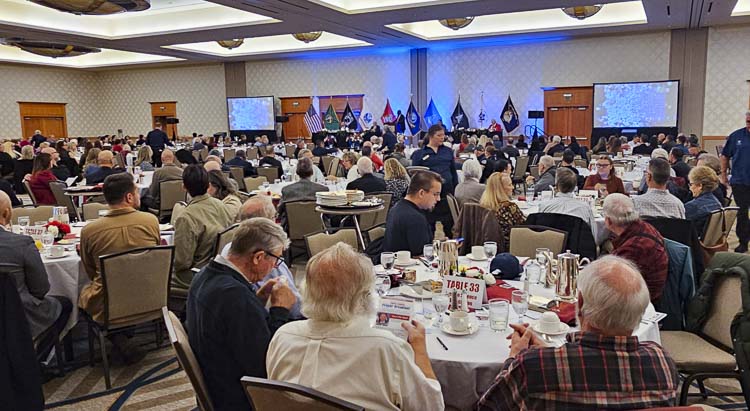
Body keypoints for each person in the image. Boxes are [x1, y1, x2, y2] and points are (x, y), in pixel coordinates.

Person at [477, 256, 678, 410]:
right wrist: (547, 352)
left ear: (579, 303)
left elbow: (488, 406)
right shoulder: (661, 362)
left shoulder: (532, 368)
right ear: (640, 312)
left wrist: (514, 357)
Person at [267, 243, 444, 410]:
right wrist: (420, 349)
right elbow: (432, 406)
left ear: (306, 291)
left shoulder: (283, 336)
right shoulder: (385, 347)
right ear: (365, 297)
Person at [187, 217, 297, 410]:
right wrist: (280, 309)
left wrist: (257, 300)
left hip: (218, 380)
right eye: (276, 259)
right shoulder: (234, 297)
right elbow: (268, 364)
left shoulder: (204, 275)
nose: (276, 267)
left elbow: (230, 326)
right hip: (239, 398)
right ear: (258, 257)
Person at [79, 173, 160, 363]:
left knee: (84, 295)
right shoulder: (150, 221)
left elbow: (90, 270)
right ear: (129, 197)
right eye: (137, 192)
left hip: (108, 302)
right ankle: (123, 339)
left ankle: (119, 338)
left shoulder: (90, 231)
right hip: (150, 296)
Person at [0, 190, 72, 361]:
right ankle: (37, 359)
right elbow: (41, 289)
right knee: (65, 304)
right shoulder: (20, 243)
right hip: (16, 310)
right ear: (7, 213)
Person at [219, 195, 303, 319]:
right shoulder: (268, 256)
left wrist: (258, 300)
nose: (276, 222)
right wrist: (280, 310)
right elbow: (295, 309)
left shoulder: (230, 250)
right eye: (274, 217)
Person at [173, 165, 234, 292]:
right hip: (222, 268)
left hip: (197, 275)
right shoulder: (221, 206)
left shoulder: (185, 217)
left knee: (157, 274)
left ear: (183, 186)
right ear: (208, 185)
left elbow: (182, 262)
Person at [603, 194, 668, 302]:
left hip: (640, 302)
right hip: (645, 291)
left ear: (608, 221)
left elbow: (611, 286)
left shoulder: (633, 248)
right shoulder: (644, 227)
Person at [412, 125, 459, 236]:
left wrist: (455, 188)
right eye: (439, 135)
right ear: (431, 136)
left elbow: (453, 172)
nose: (442, 137)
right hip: (429, 196)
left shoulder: (448, 151)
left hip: (446, 195)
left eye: (443, 135)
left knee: (449, 226)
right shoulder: (419, 154)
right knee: (428, 226)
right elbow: (415, 175)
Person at [384, 170, 441, 256]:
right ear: (421, 193)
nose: (438, 199)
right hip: (409, 266)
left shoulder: (396, 208)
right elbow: (423, 255)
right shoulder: (415, 218)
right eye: (435, 194)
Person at [538, 168, 597, 241]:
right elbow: (594, 235)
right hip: (577, 247)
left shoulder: (544, 205)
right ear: (575, 187)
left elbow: (539, 231)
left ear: (556, 186)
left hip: (551, 246)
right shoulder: (584, 207)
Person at [721, 111, 750, 252]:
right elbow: (725, 155)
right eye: (747, 121)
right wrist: (723, 174)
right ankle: (743, 241)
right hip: (740, 181)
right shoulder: (736, 136)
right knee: (742, 212)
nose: (748, 124)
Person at [278, 157, 327, 229]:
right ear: (312, 172)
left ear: (297, 171)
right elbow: (328, 213)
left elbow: (280, 211)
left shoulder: (287, 190)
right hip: (318, 232)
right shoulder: (323, 190)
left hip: (292, 230)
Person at [481, 172, 525, 247]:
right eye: (509, 185)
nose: (513, 188)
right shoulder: (509, 207)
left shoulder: (483, 205)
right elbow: (524, 228)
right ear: (500, 189)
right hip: (509, 245)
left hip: (488, 245)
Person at [685, 166, 723, 233]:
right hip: (711, 241)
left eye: (691, 184)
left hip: (694, 241)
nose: (689, 188)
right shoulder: (717, 203)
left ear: (700, 186)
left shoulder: (692, 206)